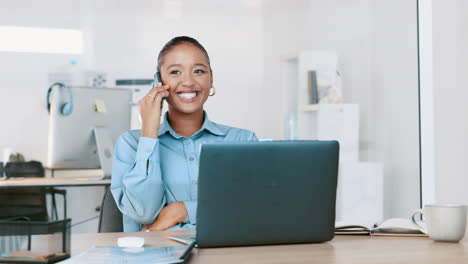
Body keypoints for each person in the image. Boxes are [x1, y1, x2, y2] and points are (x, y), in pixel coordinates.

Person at [111, 36, 257, 232]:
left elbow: (253, 209)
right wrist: (149, 131)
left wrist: (181, 211)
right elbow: (143, 213)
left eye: (198, 71)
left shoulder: (243, 141)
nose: (188, 81)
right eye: (175, 72)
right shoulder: (131, 144)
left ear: (211, 78)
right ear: (158, 81)